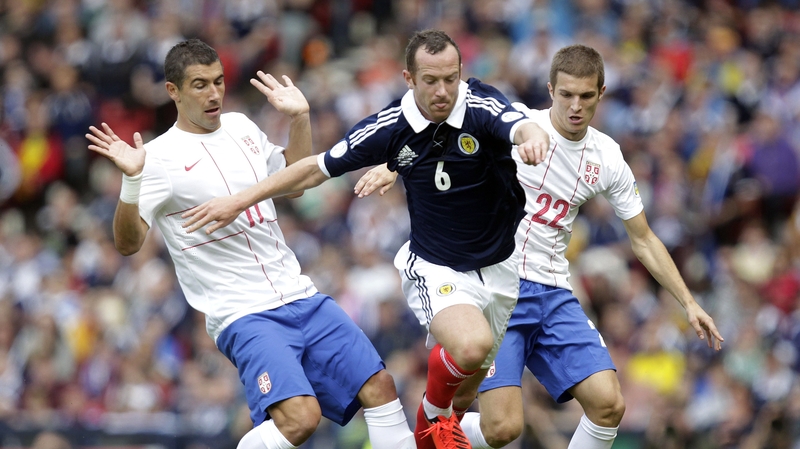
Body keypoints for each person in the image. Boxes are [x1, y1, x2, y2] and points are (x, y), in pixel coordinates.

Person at [180, 29, 551, 449]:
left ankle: (431, 429)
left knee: (478, 407)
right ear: (409, 79)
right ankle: (431, 415)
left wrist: (532, 138)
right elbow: (314, 169)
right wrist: (239, 200)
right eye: (431, 80)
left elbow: (519, 125)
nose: (443, 91)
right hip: (438, 266)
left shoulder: (480, 105)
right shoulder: (390, 126)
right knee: (470, 347)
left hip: (500, 269)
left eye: (451, 78)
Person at [356, 44, 725, 449]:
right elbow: (438, 133)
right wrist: (392, 165)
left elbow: (644, 238)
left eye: (586, 96)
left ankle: (427, 436)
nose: (575, 106)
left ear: (601, 94)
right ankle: (421, 440)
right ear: (550, 90)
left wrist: (689, 302)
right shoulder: (515, 126)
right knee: (502, 429)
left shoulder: (607, 157)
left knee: (608, 405)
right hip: (498, 286)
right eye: (566, 94)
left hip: (553, 291)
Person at [85, 38, 415, 449]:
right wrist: (132, 181)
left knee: (381, 386)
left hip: (299, 293)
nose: (214, 94)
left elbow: (294, 184)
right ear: (173, 91)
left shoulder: (242, 127)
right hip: (244, 312)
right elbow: (127, 243)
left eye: (218, 81)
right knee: (299, 419)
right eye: (200, 85)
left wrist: (300, 119)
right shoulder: (156, 158)